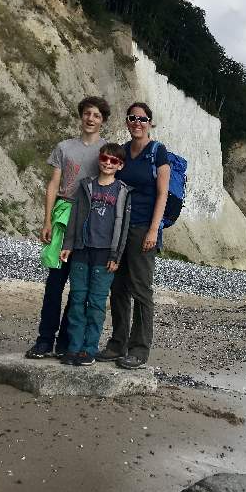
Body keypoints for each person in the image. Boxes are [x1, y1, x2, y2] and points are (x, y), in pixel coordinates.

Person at [25, 96, 110, 359]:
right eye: (87, 113)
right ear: (81, 116)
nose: (91, 119)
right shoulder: (64, 147)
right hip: (63, 215)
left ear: (103, 121)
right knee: (54, 283)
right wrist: (47, 220)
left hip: (90, 219)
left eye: (96, 115)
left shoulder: (107, 151)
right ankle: (44, 340)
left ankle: (66, 342)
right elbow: (53, 184)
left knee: (79, 288)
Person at [96, 103, 170, 370]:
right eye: (132, 118)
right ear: (127, 122)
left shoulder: (157, 152)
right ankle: (118, 343)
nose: (137, 122)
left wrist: (153, 229)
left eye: (142, 119)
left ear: (149, 122)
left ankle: (139, 349)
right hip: (120, 227)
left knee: (141, 289)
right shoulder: (123, 151)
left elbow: (162, 194)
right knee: (118, 288)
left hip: (143, 228)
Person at [59, 143, 132, 366]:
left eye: (114, 161)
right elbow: (74, 217)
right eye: (105, 158)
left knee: (97, 303)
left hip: (105, 255)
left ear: (120, 165)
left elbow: (124, 226)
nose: (108, 163)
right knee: (78, 300)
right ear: (100, 159)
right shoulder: (85, 186)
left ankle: (89, 349)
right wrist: (68, 244)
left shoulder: (122, 191)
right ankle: (73, 348)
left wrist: (116, 256)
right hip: (82, 250)